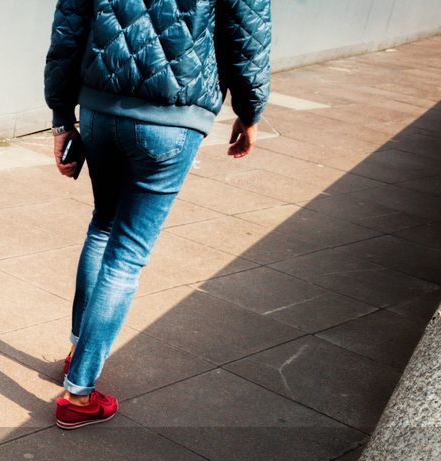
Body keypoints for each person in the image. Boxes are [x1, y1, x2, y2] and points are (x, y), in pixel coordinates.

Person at [44, 0, 271, 428]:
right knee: (126, 254)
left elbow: (69, 26)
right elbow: (248, 34)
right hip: (172, 116)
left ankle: (80, 347)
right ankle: (78, 395)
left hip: (100, 107)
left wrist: (61, 116)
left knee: (103, 225)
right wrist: (250, 110)